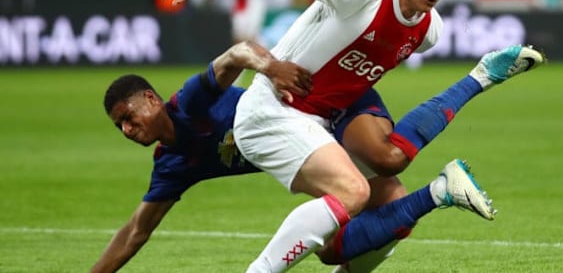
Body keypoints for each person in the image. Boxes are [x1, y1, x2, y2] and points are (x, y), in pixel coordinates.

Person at [158, 0, 544, 272]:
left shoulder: (429, 31)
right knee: (354, 191)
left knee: (390, 203)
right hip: (271, 111)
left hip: (325, 118)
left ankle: (477, 88)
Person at [90, 40, 520, 273]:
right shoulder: (171, 164)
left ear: (150, 98)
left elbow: (236, 54)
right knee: (378, 222)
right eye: (119, 127)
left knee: (387, 160)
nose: (128, 130)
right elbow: (135, 232)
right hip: (313, 140)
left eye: (128, 116)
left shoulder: (191, 102)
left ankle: (479, 77)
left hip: (328, 107)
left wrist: (271, 68)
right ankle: (442, 191)